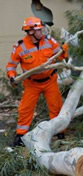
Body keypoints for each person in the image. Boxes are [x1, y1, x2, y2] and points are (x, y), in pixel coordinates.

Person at [5, 17, 68, 147]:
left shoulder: (49, 41)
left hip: (50, 80)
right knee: (25, 109)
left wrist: (65, 49)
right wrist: (12, 76)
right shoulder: (20, 47)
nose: (42, 31)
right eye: (39, 30)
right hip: (31, 83)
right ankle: (20, 136)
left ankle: (59, 133)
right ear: (31, 32)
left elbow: (61, 55)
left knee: (56, 106)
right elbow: (11, 65)